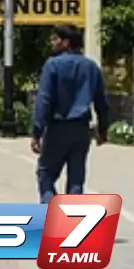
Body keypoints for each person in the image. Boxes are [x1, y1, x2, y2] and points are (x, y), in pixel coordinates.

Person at [31, 23, 110, 204]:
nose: (53, 42)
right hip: (82, 130)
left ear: (66, 42)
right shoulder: (91, 67)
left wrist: (37, 132)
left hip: (58, 128)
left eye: (56, 39)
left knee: (46, 173)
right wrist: (103, 129)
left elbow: (44, 100)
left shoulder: (52, 66)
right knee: (76, 179)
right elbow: (102, 102)